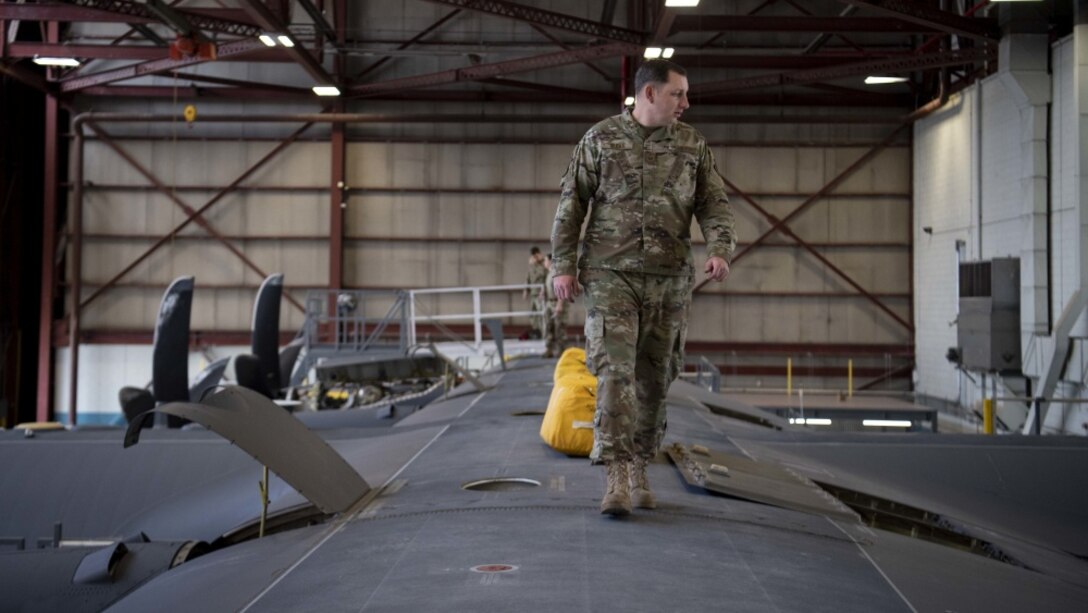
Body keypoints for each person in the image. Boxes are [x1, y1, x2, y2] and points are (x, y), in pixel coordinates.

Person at [550, 59, 736, 516]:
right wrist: (562, 265)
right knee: (615, 373)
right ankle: (614, 474)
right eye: (679, 94)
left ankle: (639, 464)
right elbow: (571, 203)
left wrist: (720, 249)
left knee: (655, 377)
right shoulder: (600, 140)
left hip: (670, 279)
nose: (686, 103)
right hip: (610, 276)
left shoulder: (692, 146)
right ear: (650, 94)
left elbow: (714, 203)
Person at [541, 253, 567, 358]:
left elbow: (561, 290)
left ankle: (561, 350)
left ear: (550, 261)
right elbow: (549, 287)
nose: (544, 263)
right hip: (549, 303)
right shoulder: (548, 273)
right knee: (548, 326)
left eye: (545, 260)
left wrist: (560, 305)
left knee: (558, 327)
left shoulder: (556, 273)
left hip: (556, 303)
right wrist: (543, 293)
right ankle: (549, 349)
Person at [523, 246, 548, 338]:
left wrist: (538, 264)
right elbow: (528, 278)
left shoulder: (544, 265)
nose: (535, 257)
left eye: (536, 255)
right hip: (533, 294)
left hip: (540, 294)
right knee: (532, 315)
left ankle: (543, 334)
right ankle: (536, 332)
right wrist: (526, 290)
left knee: (542, 315)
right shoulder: (532, 266)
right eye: (534, 255)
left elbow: (545, 277)